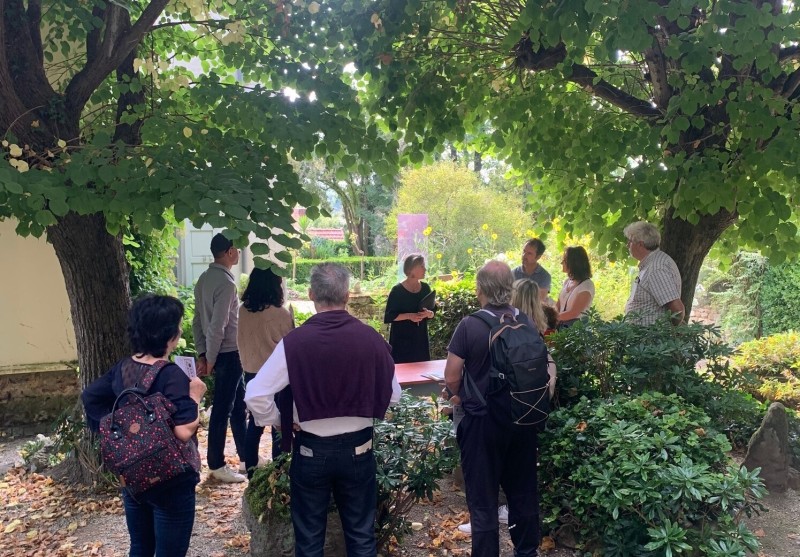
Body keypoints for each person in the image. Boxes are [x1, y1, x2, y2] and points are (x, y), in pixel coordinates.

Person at [245, 263, 401, 556]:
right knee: (361, 537)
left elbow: (255, 394)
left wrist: (279, 420)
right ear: (347, 296)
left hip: (311, 450)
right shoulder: (372, 339)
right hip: (359, 448)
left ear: (311, 293)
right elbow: (394, 396)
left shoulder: (295, 343)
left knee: (309, 540)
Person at [83, 295, 207, 557]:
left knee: (140, 548)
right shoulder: (172, 374)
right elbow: (184, 431)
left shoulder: (124, 368)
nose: (181, 329)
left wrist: (118, 434)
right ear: (169, 334)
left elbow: (91, 397)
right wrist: (195, 395)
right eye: (178, 325)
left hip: (134, 475)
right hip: (171, 478)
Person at [443, 260, 543, 557]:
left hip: (483, 423)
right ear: (509, 288)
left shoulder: (470, 325)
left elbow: (451, 374)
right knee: (523, 493)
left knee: (483, 501)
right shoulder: (524, 320)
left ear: (480, 289)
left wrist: (454, 394)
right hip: (523, 417)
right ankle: (527, 552)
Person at [192, 232, 247, 483]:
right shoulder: (226, 284)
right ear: (228, 252)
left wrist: (202, 353)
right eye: (235, 249)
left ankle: (247, 456)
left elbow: (197, 322)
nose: (238, 253)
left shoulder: (204, 279)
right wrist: (210, 358)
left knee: (238, 406)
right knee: (223, 409)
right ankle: (215, 464)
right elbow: (217, 325)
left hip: (220, 353)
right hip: (227, 354)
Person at [237, 267, 294, 478]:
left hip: (251, 372)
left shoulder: (243, 310)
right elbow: (290, 344)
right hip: (276, 375)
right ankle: (278, 472)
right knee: (279, 422)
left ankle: (251, 471)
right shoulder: (280, 314)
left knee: (255, 422)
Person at [623, 222, 685, 326]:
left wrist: (672, 333)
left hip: (652, 339)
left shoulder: (655, 268)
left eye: (630, 241)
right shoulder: (652, 263)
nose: (627, 245)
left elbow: (677, 310)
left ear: (640, 244)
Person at [383, 254, 435, 363]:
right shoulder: (397, 291)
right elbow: (389, 316)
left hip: (420, 339)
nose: (425, 269)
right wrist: (409, 316)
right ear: (411, 269)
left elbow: (433, 311)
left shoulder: (426, 288)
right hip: (401, 341)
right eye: (422, 266)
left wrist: (428, 314)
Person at [556, 246, 595, 328]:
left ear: (574, 263)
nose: (561, 263)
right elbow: (558, 306)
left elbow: (574, 313)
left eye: (565, 260)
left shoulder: (587, 285)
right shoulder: (567, 282)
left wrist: (552, 318)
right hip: (561, 327)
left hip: (576, 331)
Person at [512, 238, 551, 302]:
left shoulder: (544, 276)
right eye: (524, 251)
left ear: (538, 257)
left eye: (529, 253)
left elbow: (540, 301)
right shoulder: (513, 273)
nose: (524, 256)